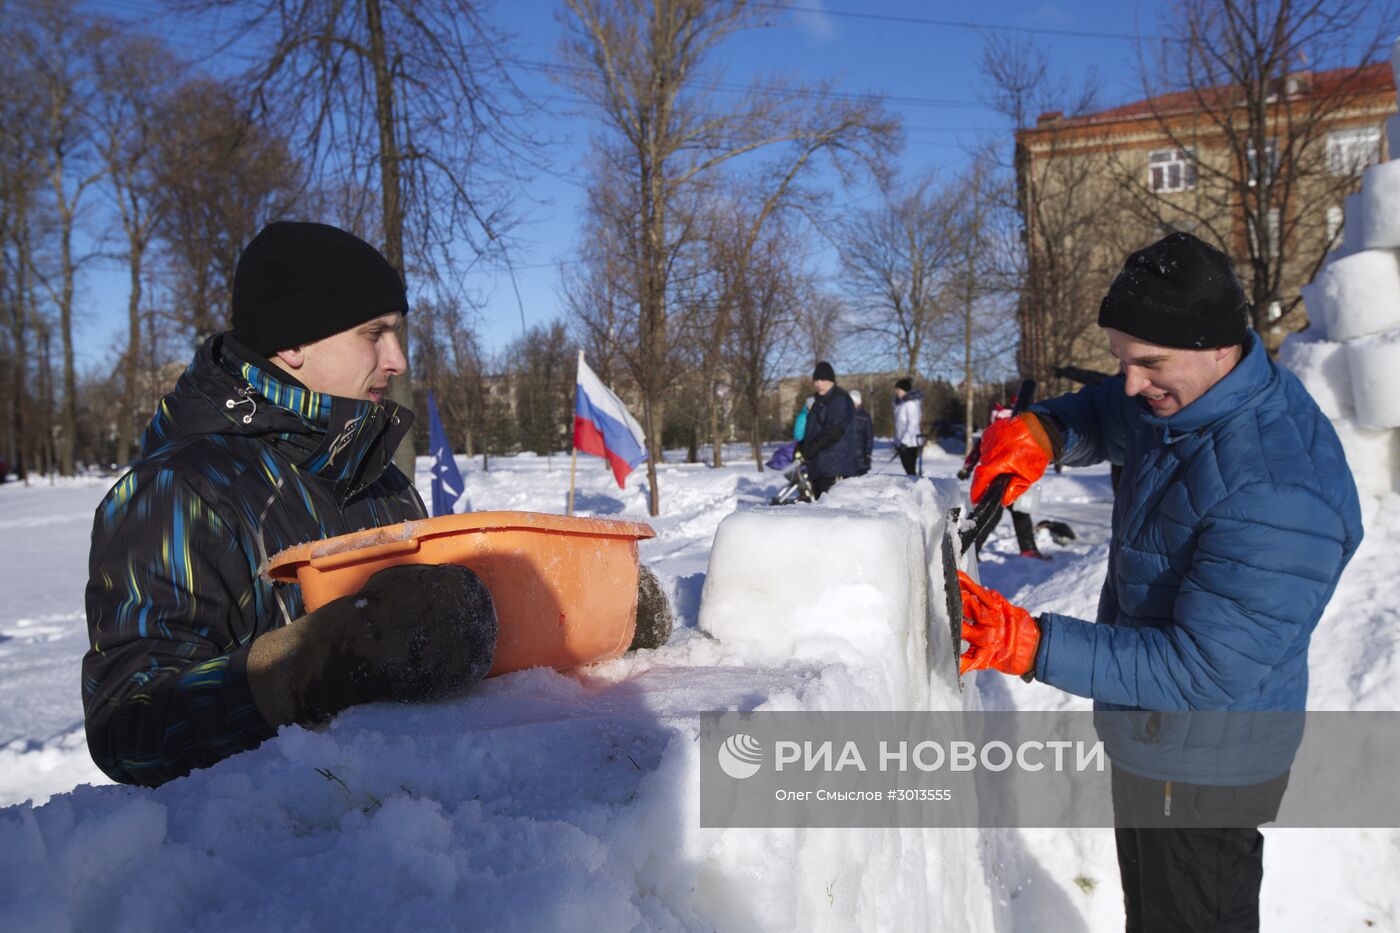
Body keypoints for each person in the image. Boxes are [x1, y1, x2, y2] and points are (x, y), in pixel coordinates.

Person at [958, 232, 1363, 932]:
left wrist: (1026, 644)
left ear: (1217, 344)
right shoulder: (1187, 397)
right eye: (1123, 361)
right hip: (1156, 734)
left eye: (1149, 363)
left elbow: (1201, 668)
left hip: (1207, 764)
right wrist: (1046, 431)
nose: (1133, 383)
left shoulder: (1275, 488)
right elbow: (1113, 411)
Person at [797, 361, 858, 498]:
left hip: (835, 465)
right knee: (821, 509)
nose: (818, 383)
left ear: (831, 380)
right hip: (819, 465)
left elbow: (834, 430)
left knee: (832, 512)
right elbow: (813, 429)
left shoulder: (840, 399)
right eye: (816, 380)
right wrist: (803, 445)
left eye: (822, 379)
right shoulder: (818, 401)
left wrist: (812, 447)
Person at [892, 377, 923, 475]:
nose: (897, 392)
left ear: (904, 390)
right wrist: (897, 441)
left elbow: (913, 424)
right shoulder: (901, 403)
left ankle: (916, 488)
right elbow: (899, 425)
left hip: (910, 443)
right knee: (908, 471)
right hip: (902, 443)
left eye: (899, 390)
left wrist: (904, 442)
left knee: (910, 471)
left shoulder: (911, 404)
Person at [849, 389, 874, 476]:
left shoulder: (865, 416)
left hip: (861, 455)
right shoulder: (844, 415)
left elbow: (869, 436)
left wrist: (868, 454)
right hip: (847, 455)